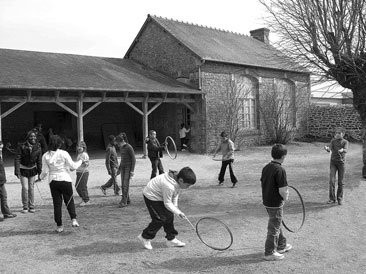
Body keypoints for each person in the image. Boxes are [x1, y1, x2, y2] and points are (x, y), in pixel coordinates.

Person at [137, 167, 196, 250]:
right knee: (160, 218)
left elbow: (175, 194)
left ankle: (171, 239)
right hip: (151, 196)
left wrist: (176, 208)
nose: (188, 187)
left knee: (169, 216)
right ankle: (145, 237)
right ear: (181, 180)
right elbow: (167, 203)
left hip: (161, 195)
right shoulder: (169, 186)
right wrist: (178, 212)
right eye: (188, 185)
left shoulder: (178, 181)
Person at [40, 134, 82, 233]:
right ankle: (74, 220)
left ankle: (59, 226)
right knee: (69, 201)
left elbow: (45, 172)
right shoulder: (64, 153)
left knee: (57, 204)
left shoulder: (45, 155)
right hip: (65, 179)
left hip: (53, 181)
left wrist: (39, 178)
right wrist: (81, 161)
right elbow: (73, 166)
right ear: (59, 144)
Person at [261, 144, 292, 261]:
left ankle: (281, 245)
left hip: (267, 201)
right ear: (283, 156)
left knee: (276, 223)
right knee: (274, 227)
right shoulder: (280, 170)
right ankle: (269, 252)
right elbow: (283, 190)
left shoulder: (266, 167)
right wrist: (286, 197)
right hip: (275, 202)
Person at [14, 131, 42, 213]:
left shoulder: (38, 146)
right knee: (25, 188)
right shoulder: (21, 146)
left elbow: (39, 160)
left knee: (31, 188)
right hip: (23, 169)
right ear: (27, 137)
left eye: (34, 136)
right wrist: (17, 171)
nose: (33, 138)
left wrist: (40, 171)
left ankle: (32, 206)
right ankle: (25, 206)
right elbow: (17, 158)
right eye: (31, 136)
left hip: (32, 169)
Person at [324, 127, 349, 205]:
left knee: (341, 182)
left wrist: (342, 150)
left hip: (341, 164)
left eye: (339, 133)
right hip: (333, 163)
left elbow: (346, 150)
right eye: (336, 133)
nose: (337, 134)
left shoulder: (345, 142)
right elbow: (329, 149)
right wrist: (327, 149)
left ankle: (339, 199)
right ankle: (332, 199)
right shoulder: (333, 141)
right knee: (331, 181)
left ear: (343, 134)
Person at [116, 133, 136, 208]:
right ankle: (127, 199)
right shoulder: (121, 148)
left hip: (128, 168)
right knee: (123, 184)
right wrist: (119, 169)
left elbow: (133, 159)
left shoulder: (129, 147)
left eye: (118, 144)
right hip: (123, 168)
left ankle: (124, 201)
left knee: (125, 184)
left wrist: (132, 171)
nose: (118, 145)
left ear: (122, 141)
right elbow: (122, 159)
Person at [0, 141, 17, 221]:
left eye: (1, 148)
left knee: (4, 196)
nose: (0, 149)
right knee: (3, 196)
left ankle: (6, 213)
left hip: (1, 181)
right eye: (0, 147)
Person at [75, 141, 90, 206]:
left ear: (83, 147)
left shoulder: (84, 154)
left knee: (83, 186)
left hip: (84, 172)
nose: (79, 148)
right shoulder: (79, 154)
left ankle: (86, 200)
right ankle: (83, 198)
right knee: (77, 186)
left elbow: (87, 164)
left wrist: (84, 162)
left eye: (80, 147)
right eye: (78, 146)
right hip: (78, 172)